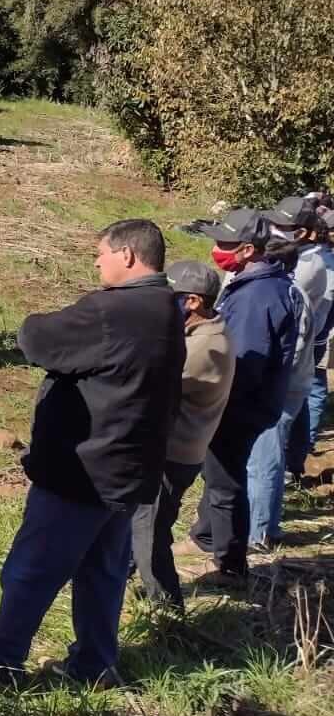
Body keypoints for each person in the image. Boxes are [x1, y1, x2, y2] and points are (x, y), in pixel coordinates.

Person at [0, 219, 183, 686]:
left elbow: (38, 339)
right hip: (127, 469)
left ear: (127, 256)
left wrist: (36, 320)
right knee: (103, 573)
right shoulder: (167, 307)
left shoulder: (114, 311)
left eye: (101, 253)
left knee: (31, 570)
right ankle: (95, 665)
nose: (96, 261)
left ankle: (1, 664)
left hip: (83, 471)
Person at [190, 209, 300, 581]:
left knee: (225, 482)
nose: (217, 250)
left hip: (240, 405)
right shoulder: (258, 284)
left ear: (249, 249)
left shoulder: (257, 296)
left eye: (225, 244)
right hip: (248, 402)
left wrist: (218, 402)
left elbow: (246, 363)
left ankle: (230, 564)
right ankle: (206, 534)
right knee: (219, 473)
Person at [129, 261, 234, 612]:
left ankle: (167, 607)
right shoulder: (204, 330)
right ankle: (130, 573)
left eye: (166, 298)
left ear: (191, 302)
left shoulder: (203, 348)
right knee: (144, 522)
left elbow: (147, 386)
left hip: (173, 453)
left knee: (151, 530)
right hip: (179, 447)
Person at [247, 196, 327, 547]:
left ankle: (259, 532)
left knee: (265, 457)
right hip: (287, 377)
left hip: (281, 382)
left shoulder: (302, 279)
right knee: (269, 453)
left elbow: (287, 349)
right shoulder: (293, 280)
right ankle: (264, 525)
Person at [289, 206, 334, 482]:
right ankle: (301, 448)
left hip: (316, 335)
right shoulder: (321, 259)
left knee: (313, 388)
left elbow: (324, 305)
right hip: (316, 333)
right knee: (309, 391)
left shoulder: (322, 264)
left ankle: (302, 447)